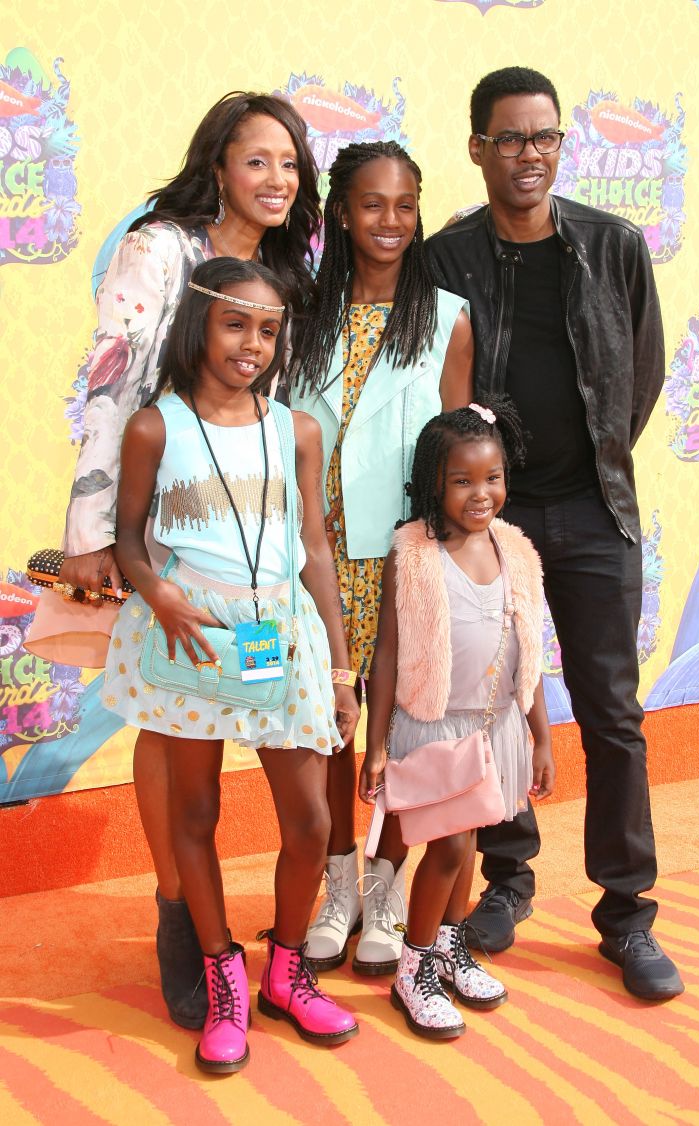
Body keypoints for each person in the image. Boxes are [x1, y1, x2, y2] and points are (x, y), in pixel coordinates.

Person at [26, 91, 321, 1029]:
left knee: (221, 710)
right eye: (257, 161)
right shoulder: (160, 246)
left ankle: (233, 936)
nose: (277, 180)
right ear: (218, 165)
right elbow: (112, 381)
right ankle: (176, 910)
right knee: (169, 719)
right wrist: (93, 536)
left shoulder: (281, 264)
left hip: (244, 537)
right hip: (153, 520)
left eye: (290, 163)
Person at [425, 65, 684, 1001]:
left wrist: (596, 467)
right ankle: (505, 883)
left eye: (544, 137)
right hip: (491, 522)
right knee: (489, 703)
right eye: (509, 139)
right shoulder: (448, 258)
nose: (528, 155)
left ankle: (627, 916)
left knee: (613, 716)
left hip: (593, 514)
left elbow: (641, 371)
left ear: (561, 145)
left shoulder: (612, 244)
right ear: (477, 148)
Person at [102, 257, 361, 1073]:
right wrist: (159, 594)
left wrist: (344, 667)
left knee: (313, 822)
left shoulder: (297, 429)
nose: (253, 344)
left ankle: (286, 970)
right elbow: (130, 538)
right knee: (194, 814)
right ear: (199, 324)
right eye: (235, 324)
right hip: (191, 643)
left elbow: (315, 546)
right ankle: (222, 977)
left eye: (270, 329)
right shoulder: (156, 426)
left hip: (279, 641)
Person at [289, 140, 474, 975]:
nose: (389, 221)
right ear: (339, 211)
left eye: (404, 204)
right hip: (318, 562)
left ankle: (389, 887)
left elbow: (459, 449)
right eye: (371, 204)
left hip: (405, 561)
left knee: (406, 728)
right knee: (332, 728)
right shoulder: (298, 315)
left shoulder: (445, 317)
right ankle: (338, 882)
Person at [359, 399, 553, 1038]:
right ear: (432, 483)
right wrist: (378, 743)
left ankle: (446, 942)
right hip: (437, 726)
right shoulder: (413, 553)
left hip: (496, 725)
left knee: (468, 850)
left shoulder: (516, 550)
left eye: (492, 477)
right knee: (447, 849)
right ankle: (412, 970)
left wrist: (539, 736)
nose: (481, 493)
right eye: (463, 480)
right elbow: (386, 653)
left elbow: (531, 647)